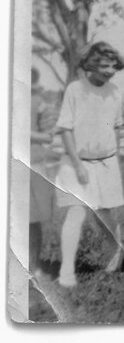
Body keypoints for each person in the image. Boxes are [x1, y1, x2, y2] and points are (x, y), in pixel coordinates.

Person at [53, 42, 124, 288]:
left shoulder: (116, 92)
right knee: (76, 211)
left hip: (105, 163)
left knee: (105, 214)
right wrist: (77, 166)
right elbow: (65, 129)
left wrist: (113, 157)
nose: (109, 71)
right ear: (90, 65)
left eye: (112, 66)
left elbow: (117, 127)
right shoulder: (76, 89)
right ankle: (67, 271)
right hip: (77, 161)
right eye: (103, 66)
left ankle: (117, 257)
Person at [28, 66, 59, 278]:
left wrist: (20, 131)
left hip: (31, 162)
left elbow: (49, 135)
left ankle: (33, 266)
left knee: (31, 218)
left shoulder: (40, 102)